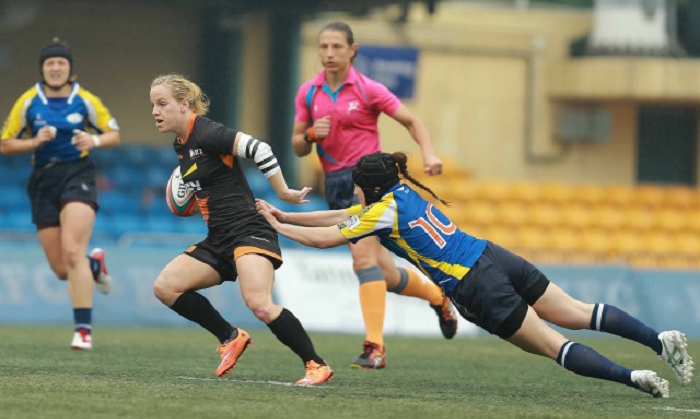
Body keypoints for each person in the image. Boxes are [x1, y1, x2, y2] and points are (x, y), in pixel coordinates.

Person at [257, 152, 695, 397]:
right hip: (492, 254)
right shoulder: (400, 193)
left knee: (553, 346)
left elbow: (329, 237)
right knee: (580, 312)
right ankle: (659, 340)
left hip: (474, 284)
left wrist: (279, 227)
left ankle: (631, 377)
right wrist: (288, 213)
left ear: (370, 187)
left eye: (357, 184)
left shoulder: (379, 211)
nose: (354, 191)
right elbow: (343, 215)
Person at [149, 73, 333, 385]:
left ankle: (316, 364)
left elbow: (259, 149)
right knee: (166, 287)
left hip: (249, 230)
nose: (155, 111)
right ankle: (230, 337)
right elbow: (206, 191)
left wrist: (284, 192)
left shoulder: (206, 131)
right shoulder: (180, 145)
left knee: (259, 303)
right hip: (219, 237)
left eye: (161, 103)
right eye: (152, 104)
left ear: (184, 104)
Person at [291, 21, 456, 369]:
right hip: (334, 183)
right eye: (323, 47)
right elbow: (297, 147)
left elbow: (411, 121)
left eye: (337, 46)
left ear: (353, 50)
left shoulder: (368, 90)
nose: (329, 53)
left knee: (363, 262)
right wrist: (308, 134)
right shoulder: (308, 93)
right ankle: (437, 296)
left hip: (368, 186)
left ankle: (374, 348)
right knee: (385, 272)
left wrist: (428, 153)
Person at [0, 38, 119, 350]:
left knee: (71, 252)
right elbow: (6, 143)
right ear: (42, 68)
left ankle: (83, 330)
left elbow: (113, 133)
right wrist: (34, 141)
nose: (55, 68)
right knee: (62, 269)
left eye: (61, 63)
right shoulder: (28, 101)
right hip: (43, 179)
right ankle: (94, 265)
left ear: (70, 69)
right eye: (50, 63)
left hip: (77, 174)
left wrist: (92, 141)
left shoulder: (86, 100)